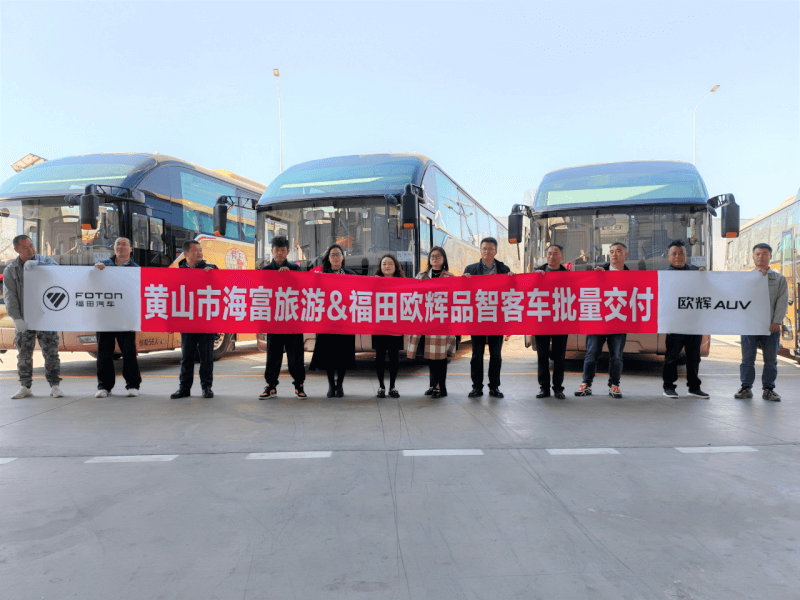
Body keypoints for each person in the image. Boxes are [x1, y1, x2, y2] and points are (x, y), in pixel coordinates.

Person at [3, 235, 64, 399]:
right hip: (25, 318)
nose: (30, 250)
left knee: (51, 353)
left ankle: (55, 386)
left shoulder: (46, 261)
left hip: (46, 316)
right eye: (25, 247)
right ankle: (25, 386)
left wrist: (38, 265)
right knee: (23, 354)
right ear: (17, 250)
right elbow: (10, 297)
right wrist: (16, 318)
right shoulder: (11, 270)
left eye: (31, 246)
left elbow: (61, 274)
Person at [575, 241, 630, 398]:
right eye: (612, 251)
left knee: (617, 356)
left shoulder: (632, 276)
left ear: (625, 254)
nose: (614, 254)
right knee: (592, 353)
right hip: (597, 321)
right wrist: (594, 277)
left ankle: (614, 385)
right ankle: (586, 384)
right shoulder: (598, 272)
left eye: (618, 251)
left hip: (618, 321)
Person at [735, 243, 789, 401]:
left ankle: (769, 389)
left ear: (770, 256)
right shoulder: (744, 279)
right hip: (749, 325)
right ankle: (746, 388)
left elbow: (782, 301)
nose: (761, 256)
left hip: (770, 326)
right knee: (747, 360)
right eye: (758, 254)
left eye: (765, 253)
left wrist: (777, 321)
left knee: (770, 361)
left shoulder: (779, 279)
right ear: (753, 257)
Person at [258, 236, 307, 399]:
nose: (279, 253)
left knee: (296, 356)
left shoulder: (295, 269)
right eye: (276, 250)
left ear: (288, 252)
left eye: (282, 250)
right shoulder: (265, 271)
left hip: (293, 320)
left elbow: (303, 290)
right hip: (274, 322)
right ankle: (271, 385)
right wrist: (260, 325)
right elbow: (260, 296)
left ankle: (299, 385)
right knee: (273, 355)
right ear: (272, 251)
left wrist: (290, 276)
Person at [93, 237, 142, 397]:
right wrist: (95, 271)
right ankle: (104, 387)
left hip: (125, 317)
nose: (121, 247)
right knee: (103, 352)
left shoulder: (136, 269)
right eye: (118, 245)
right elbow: (91, 284)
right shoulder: (103, 266)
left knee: (128, 351)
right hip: (105, 316)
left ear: (131, 249)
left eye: (124, 244)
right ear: (114, 248)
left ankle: (133, 385)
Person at [463, 237, 512, 398]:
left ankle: (494, 387)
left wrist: (513, 279)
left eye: (490, 249)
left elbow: (513, 291)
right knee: (476, 355)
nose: (487, 251)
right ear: (480, 250)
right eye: (484, 248)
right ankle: (477, 387)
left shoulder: (504, 269)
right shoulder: (470, 270)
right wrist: (465, 282)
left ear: (496, 251)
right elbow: (463, 293)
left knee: (496, 355)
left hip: (497, 319)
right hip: (477, 319)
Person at [170, 241, 218, 399]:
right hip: (187, 321)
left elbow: (221, 285)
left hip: (206, 321)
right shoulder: (178, 273)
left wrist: (213, 274)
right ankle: (184, 388)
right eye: (195, 250)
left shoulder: (210, 269)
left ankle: (207, 388)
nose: (199, 253)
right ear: (186, 254)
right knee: (187, 357)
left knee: (206, 357)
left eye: (200, 250)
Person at [407, 246, 456, 398]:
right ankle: (433, 385)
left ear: (444, 259)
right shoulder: (421, 276)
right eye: (432, 256)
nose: (435, 259)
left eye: (438, 256)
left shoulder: (450, 277)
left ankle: (440, 387)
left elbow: (456, 296)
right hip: (425, 321)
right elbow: (412, 295)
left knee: (440, 358)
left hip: (442, 321)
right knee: (430, 356)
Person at [662, 240, 708, 399]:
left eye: (681, 253)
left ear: (686, 255)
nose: (677, 256)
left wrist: (705, 275)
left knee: (694, 357)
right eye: (674, 253)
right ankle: (668, 387)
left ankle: (694, 387)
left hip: (694, 323)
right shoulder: (665, 276)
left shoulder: (697, 271)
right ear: (668, 257)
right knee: (672, 357)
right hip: (675, 323)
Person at [309, 244, 356, 397]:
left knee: (342, 356)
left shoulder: (352, 275)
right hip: (326, 323)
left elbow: (362, 291)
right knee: (329, 356)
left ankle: (340, 385)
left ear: (343, 257)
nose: (335, 257)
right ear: (328, 258)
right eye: (332, 255)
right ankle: (331, 386)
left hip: (345, 322)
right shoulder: (320, 275)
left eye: (338, 254)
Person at [532, 244, 569, 399]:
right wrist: (533, 278)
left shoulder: (568, 275)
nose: (551, 256)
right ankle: (544, 388)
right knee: (542, 356)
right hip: (542, 320)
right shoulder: (537, 272)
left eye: (555, 253)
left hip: (561, 321)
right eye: (549, 253)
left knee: (559, 357)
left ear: (561, 256)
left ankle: (558, 388)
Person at [372, 254, 405, 398]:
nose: (387, 266)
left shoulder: (403, 282)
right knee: (379, 356)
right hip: (379, 325)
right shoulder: (374, 281)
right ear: (380, 267)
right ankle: (381, 386)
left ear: (395, 266)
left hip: (395, 325)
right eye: (384, 263)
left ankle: (392, 386)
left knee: (394, 356)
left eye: (390, 263)